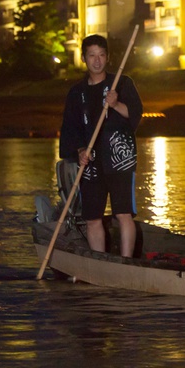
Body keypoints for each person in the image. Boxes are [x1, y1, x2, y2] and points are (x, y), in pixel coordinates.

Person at [59, 34, 143, 258]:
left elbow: (134, 114)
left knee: (123, 214)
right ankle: (99, 262)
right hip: (92, 162)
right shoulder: (77, 93)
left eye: (101, 55)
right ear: (84, 59)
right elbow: (71, 127)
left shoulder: (122, 83)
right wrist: (80, 151)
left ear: (108, 57)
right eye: (92, 56)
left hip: (119, 159)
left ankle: (126, 263)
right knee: (92, 217)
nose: (97, 61)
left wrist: (115, 104)